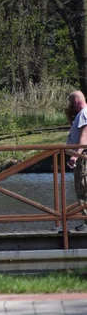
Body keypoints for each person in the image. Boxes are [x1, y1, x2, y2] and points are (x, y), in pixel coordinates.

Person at [66, 91, 87, 232]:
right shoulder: (82, 114)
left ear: (75, 101)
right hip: (82, 156)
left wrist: (75, 156)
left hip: (83, 157)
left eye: (70, 103)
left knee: (83, 188)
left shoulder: (84, 114)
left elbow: (84, 137)